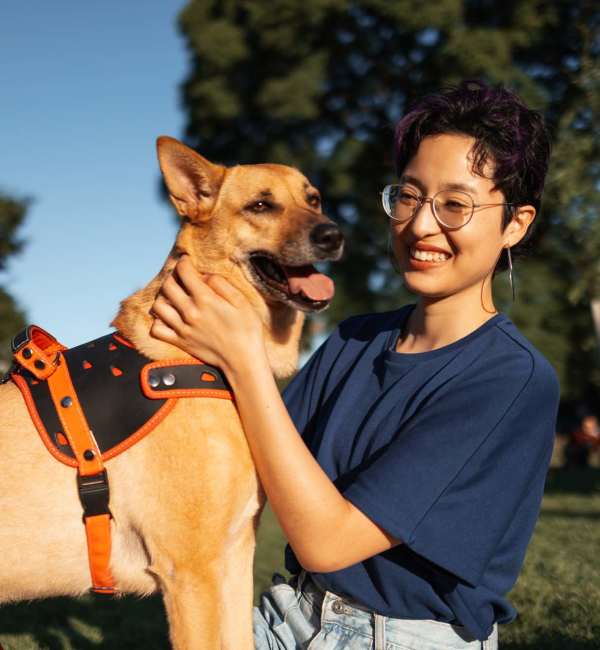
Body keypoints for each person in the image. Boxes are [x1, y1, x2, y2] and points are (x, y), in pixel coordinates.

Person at [150, 80, 560, 650]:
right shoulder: (355, 340)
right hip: (286, 614)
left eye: (455, 205)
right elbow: (246, 453)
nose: (420, 225)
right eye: (410, 195)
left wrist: (244, 359)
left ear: (514, 224)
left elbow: (327, 543)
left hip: (407, 638)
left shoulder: (510, 378)